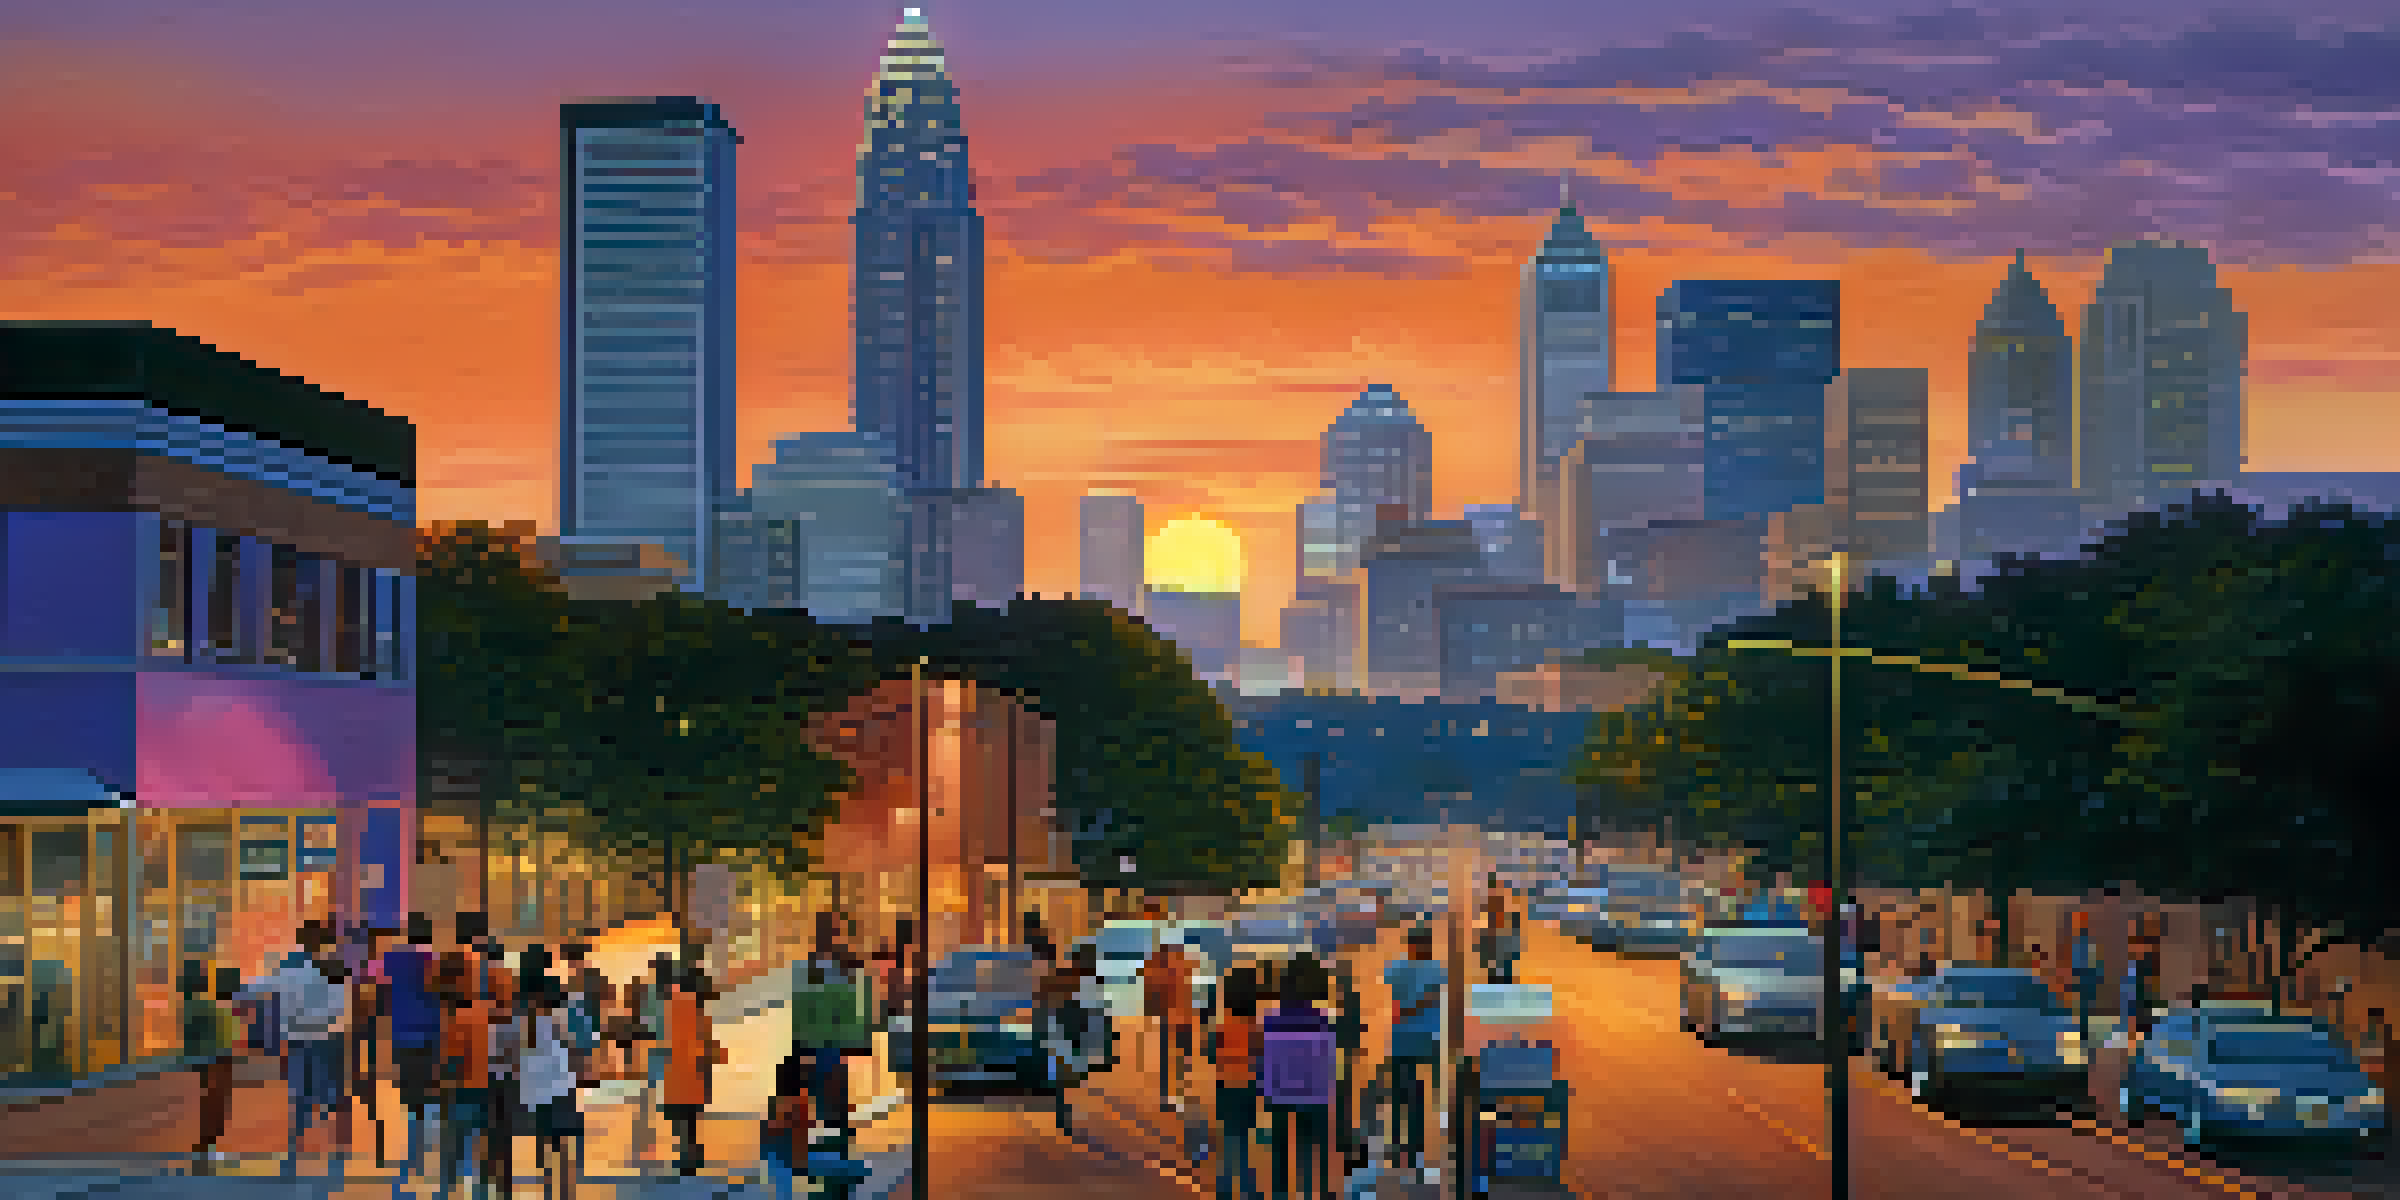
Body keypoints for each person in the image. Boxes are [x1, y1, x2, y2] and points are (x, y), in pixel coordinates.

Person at [262, 922, 352, 1182]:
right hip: (328, 1038)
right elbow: (342, 1006)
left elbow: (271, 995)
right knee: (332, 1097)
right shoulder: (335, 966)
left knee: (301, 1098)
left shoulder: (290, 966)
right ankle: (336, 1156)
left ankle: (293, 1157)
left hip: (299, 1039)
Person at [1261, 953, 1335, 1200]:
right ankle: (1320, 1191)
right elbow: (1326, 1061)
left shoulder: (1271, 1019)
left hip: (1280, 1089)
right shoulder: (1321, 1019)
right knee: (1314, 1149)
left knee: (1280, 1151)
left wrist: (1265, 1090)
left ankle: (1281, 1193)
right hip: (1313, 1091)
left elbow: (1266, 1060)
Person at [383, 913, 445, 1199]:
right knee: (432, 1087)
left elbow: (379, 990)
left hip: (402, 1033)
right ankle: (430, 1144)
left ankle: (414, 1149)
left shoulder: (393, 959)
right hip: (431, 1033)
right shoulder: (435, 961)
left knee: (410, 1093)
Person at [1383, 925, 1445, 1173]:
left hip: (1401, 1040)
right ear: (1428, 946)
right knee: (1418, 1094)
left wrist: (1408, 1009)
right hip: (1428, 1040)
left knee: (1400, 1096)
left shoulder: (1396, 968)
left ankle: (1399, 1145)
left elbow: (1394, 996)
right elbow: (1436, 996)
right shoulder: (1438, 969)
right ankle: (1416, 1148)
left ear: (1410, 946)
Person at [437, 951, 496, 1200]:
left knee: (453, 1146)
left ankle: (447, 1191)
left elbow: (454, 1062)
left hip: (461, 1090)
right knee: (480, 1147)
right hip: (485, 1087)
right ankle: (481, 1191)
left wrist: (442, 1083)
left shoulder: (455, 1021)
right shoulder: (484, 1014)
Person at [518, 982, 584, 1200]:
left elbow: (523, 1064)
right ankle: (562, 1191)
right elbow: (573, 1051)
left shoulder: (527, 1026)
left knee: (549, 1145)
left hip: (545, 1093)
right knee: (559, 1144)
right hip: (558, 1090)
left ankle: (553, 1190)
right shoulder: (557, 1022)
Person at [663, 960, 727, 1176]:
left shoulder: (672, 1006)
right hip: (693, 1072)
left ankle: (687, 1156)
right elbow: (704, 1045)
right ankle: (688, 1158)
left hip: (677, 1072)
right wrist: (718, 1054)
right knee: (689, 1118)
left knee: (684, 1118)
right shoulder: (697, 1011)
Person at [1205, 966, 1263, 1200]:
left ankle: (1226, 1190)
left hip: (1226, 1087)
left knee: (1229, 1141)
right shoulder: (1256, 1026)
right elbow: (1262, 1056)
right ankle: (1249, 1190)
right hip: (1248, 1089)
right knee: (1244, 1141)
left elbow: (1210, 1053)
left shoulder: (1223, 1025)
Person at [181, 959, 242, 1173]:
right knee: (215, 1102)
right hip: (216, 1058)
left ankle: (208, 1145)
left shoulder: (199, 1004)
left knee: (213, 1102)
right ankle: (206, 1146)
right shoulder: (205, 1005)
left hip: (212, 1058)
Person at [1143, 936, 1198, 1112]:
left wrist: (1153, 1009)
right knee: (1179, 1056)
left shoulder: (1160, 965)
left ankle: (1173, 1095)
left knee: (1172, 1057)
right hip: (1180, 1016)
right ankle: (1176, 1094)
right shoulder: (1177, 964)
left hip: (1173, 1016)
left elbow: (1151, 990)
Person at [761, 1053, 812, 1200]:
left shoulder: (775, 1103)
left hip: (776, 1162)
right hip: (794, 1163)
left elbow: (767, 1134)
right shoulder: (801, 1103)